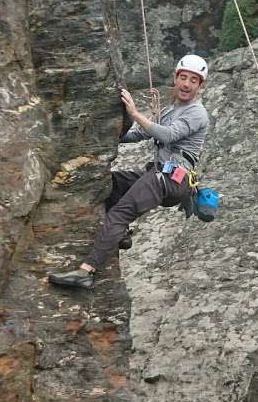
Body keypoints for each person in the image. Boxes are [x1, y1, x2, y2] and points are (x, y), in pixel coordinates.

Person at [48, 55, 210, 291]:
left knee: (119, 214)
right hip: (159, 174)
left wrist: (135, 114)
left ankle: (86, 271)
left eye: (193, 81)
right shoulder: (170, 110)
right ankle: (119, 234)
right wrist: (108, 135)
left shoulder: (197, 113)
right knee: (110, 184)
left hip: (173, 178)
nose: (186, 84)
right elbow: (142, 134)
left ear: (200, 85)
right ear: (175, 79)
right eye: (183, 77)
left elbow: (168, 135)